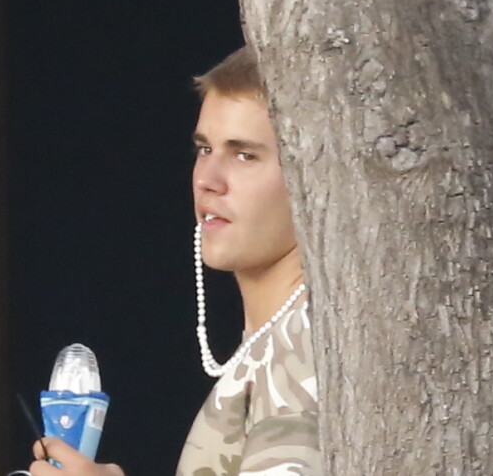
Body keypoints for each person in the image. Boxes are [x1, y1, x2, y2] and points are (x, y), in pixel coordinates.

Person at [29, 46, 321, 475]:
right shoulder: (271, 341)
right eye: (204, 149)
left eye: (245, 155)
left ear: (314, 173)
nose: (207, 180)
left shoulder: (313, 343)